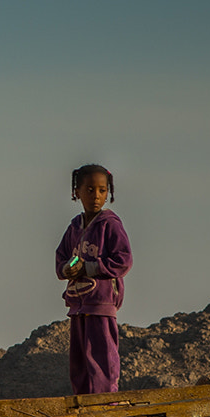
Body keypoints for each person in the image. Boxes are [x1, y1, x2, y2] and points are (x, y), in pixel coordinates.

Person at [56, 164, 132, 396]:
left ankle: (105, 404)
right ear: (76, 192)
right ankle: (83, 404)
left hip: (101, 303)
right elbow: (61, 259)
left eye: (101, 190)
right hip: (78, 304)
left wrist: (88, 267)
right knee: (79, 362)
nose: (96, 196)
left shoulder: (110, 225)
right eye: (89, 190)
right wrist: (67, 270)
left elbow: (124, 260)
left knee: (102, 358)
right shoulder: (74, 228)